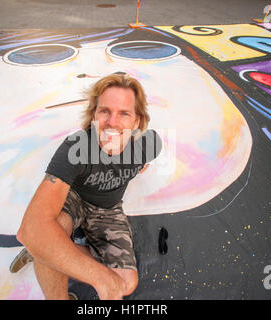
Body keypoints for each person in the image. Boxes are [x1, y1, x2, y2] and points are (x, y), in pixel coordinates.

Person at [14, 73, 162, 300]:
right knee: (46, 231)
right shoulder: (76, 147)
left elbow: (142, 159)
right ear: (94, 115)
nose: (112, 122)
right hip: (75, 199)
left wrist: (139, 165)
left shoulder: (148, 145)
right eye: (105, 111)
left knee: (127, 283)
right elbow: (31, 229)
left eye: (124, 113)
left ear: (136, 122)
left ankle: (43, 252)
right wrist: (103, 279)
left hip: (109, 209)